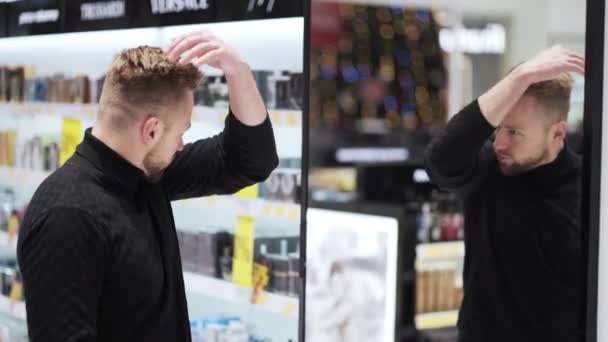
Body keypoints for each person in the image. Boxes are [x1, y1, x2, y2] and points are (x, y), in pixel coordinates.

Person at [17, 31, 278, 342]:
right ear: (151, 131)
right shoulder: (66, 217)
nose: (182, 145)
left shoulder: (146, 175)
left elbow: (249, 161)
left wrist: (239, 73)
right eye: (182, 132)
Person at [425, 45, 585, 342]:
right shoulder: (488, 168)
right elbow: (439, 162)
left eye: (515, 133)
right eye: (498, 129)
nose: (499, 143)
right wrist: (521, 76)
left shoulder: (587, 191)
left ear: (557, 133)